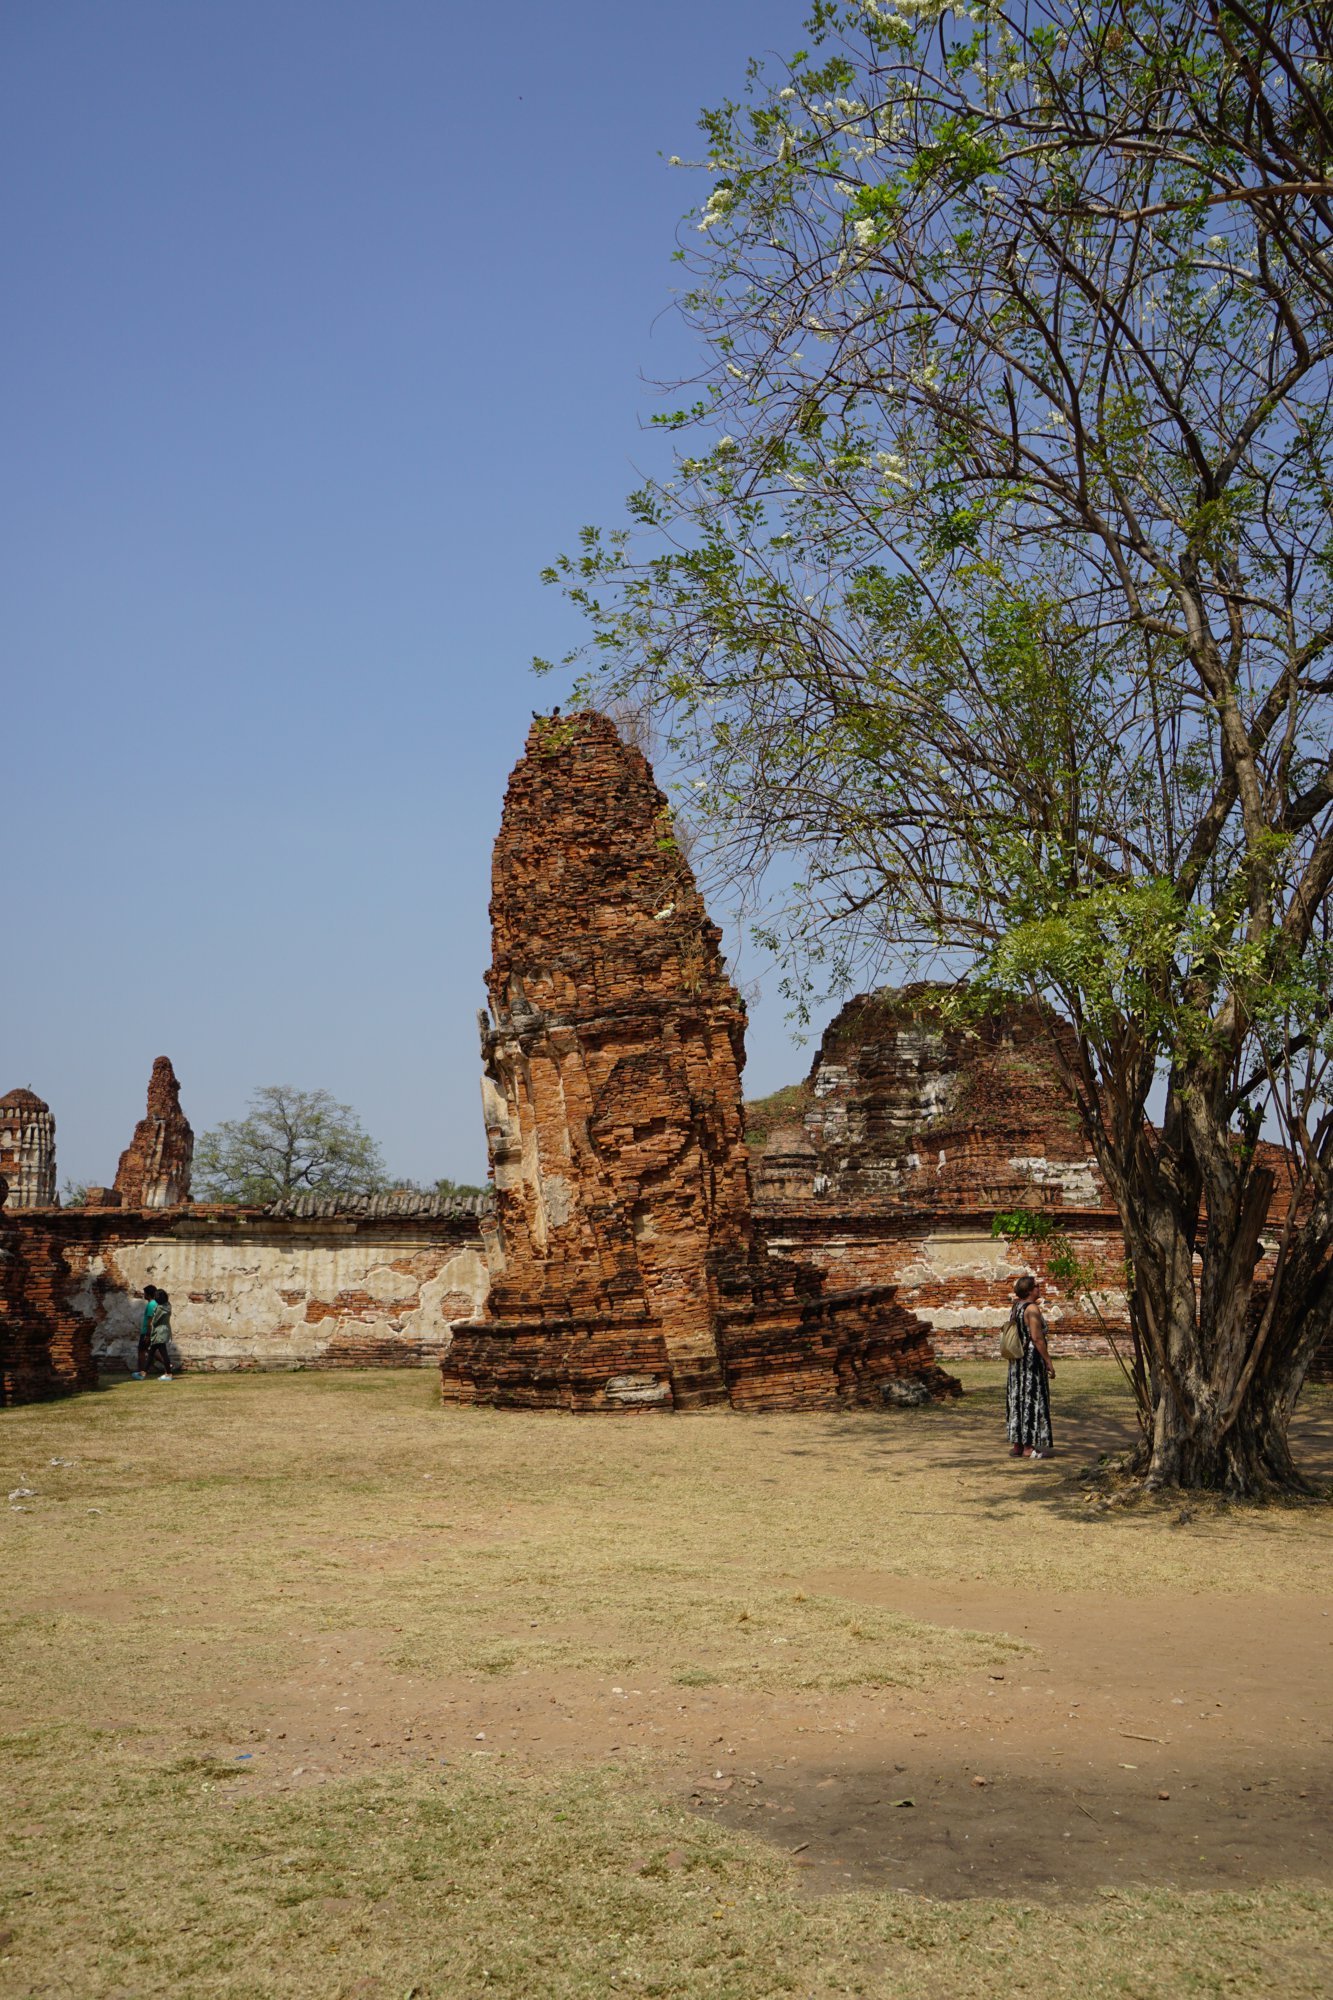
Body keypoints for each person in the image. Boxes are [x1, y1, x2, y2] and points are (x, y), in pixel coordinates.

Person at [1005, 1273, 1054, 1459]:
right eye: (1036, 1286)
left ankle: (1018, 1445)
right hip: (1031, 1361)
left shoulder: (1016, 1307)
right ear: (1029, 1290)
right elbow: (1037, 1338)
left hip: (1017, 1360)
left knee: (1018, 1399)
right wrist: (1048, 1361)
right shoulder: (1032, 1308)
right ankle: (1028, 1448)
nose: (1039, 1288)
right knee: (1031, 1399)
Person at [145, 1288, 175, 1380]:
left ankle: (168, 1374)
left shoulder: (159, 1308)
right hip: (165, 1330)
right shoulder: (168, 1305)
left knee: (163, 1353)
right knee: (151, 1352)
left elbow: (155, 1321)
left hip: (159, 1332)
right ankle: (143, 1372)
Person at [132, 1286, 158, 1378]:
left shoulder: (151, 1305)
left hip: (147, 1331)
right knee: (151, 1350)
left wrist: (147, 1334)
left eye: (145, 1293)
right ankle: (168, 1365)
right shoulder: (156, 1303)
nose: (144, 1295)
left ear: (149, 1294)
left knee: (141, 1351)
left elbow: (150, 1321)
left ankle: (141, 1372)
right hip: (152, 1331)